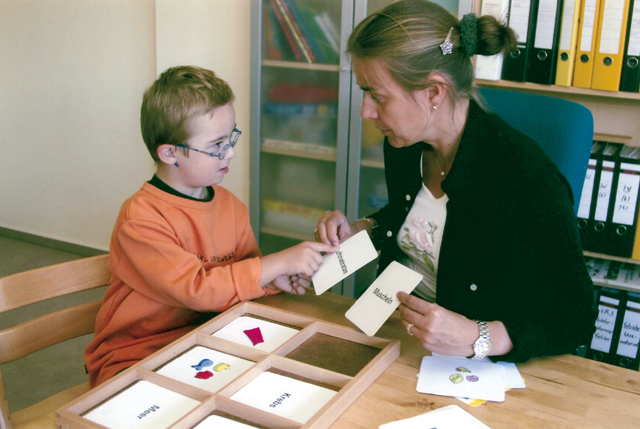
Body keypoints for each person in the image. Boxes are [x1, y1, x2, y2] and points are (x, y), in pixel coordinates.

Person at [315, 0, 597, 363]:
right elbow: (415, 215)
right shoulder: (404, 143)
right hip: (395, 324)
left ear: (434, 93)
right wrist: (362, 228)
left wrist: (479, 336)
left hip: (470, 362)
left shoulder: (526, 178)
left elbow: (575, 316)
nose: (366, 111)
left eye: (378, 96)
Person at [85, 66, 336, 387]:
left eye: (231, 137)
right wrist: (273, 264)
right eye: (216, 144)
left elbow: (244, 275)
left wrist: (274, 278)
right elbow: (197, 289)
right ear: (170, 152)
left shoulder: (231, 205)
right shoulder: (141, 219)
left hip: (210, 339)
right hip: (137, 355)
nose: (229, 151)